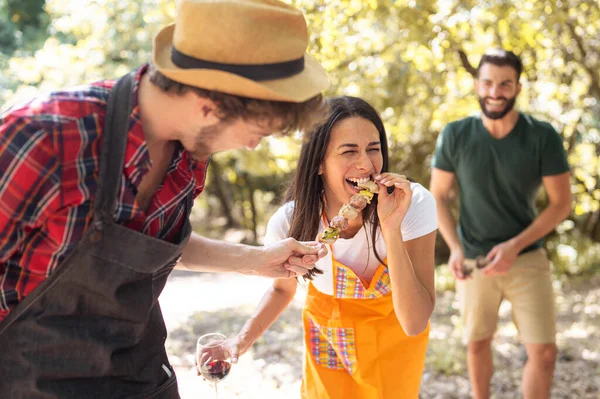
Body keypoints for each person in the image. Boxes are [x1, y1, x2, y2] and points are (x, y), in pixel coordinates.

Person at [0, 0, 331, 397]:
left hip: (142, 379)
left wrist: (257, 261)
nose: (252, 145)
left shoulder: (191, 153)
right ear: (209, 106)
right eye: (256, 131)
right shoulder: (44, 141)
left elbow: (148, 247)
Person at [230, 96, 438, 399]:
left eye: (373, 148)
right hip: (328, 349)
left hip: (395, 351)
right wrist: (241, 339)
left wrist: (391, 228)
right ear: (318, 163)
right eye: (349, 151)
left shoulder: (413, 204)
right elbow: (281, 290)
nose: (366, 164)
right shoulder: (290, 224)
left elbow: (415, 322)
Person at [429, 49, 571, 399]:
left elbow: (561, 203)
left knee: (545, 352)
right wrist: (456, 249)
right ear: (477, 84)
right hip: (474, 261)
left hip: (527, 259)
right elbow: (437, 197)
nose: (495, 92)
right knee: (477, 344)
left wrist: (514, 247)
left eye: (505, 84)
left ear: (518, 87)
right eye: (488, 83)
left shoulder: (542, 136)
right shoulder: (455, 134)